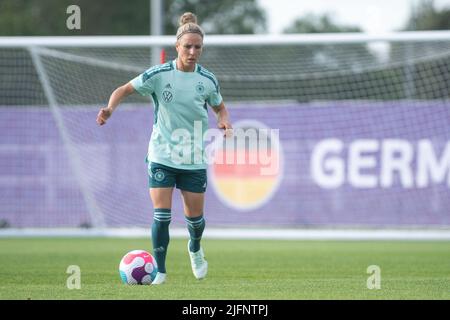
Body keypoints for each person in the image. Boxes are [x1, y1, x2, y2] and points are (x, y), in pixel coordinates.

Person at [96, 12, 232, 285]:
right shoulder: (159, 74)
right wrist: (110, 108)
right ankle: (159, 270)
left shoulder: (207, 80)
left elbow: (219, 106)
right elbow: (123, 89)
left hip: (193, 157)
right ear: (177, 47)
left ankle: (195, 248)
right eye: (187, 47)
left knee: (196, 221)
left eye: (198, 47)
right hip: (162, 154)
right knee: (161, 215)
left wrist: (224, 121)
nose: (192, 52)